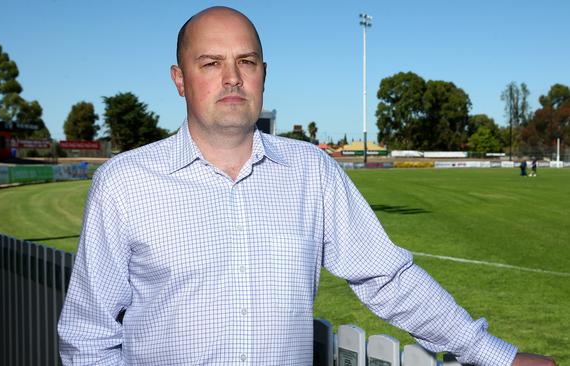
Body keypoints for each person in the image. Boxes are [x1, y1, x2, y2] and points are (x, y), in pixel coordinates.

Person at [58, 7, 556, 366]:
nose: (232, 78)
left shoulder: (310, 172)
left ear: (263, 75)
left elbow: (387, 277)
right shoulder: (123, 184)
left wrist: (498, 357)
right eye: (211, 63)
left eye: (246, 62)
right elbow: (87, 335)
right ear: (180, 79)